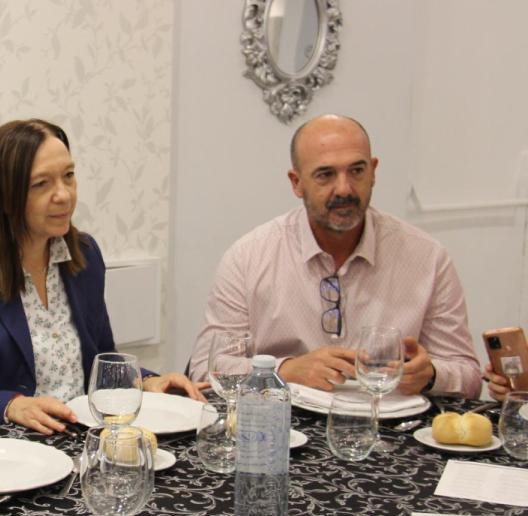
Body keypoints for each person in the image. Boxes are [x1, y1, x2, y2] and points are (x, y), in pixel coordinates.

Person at [0, 119, 205, 445]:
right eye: (41, 184)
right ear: (5, 195)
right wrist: (11, 405)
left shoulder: (83, 255)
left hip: (75, 443)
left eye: (69, 175)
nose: (64, 194)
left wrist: (147, 382)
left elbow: (102, 363)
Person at [189, 114, 481, 398]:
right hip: (282, 428)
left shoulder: (427, 258)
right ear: (296, 182)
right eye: (325, 175)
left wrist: (430, 375)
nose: (344, 189)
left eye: (356, 171)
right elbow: (206, 368)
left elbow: (468, 376)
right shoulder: (249, 257)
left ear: (374, 171)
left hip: (392, 431)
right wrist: (286, 370)